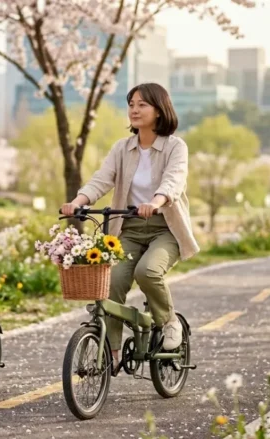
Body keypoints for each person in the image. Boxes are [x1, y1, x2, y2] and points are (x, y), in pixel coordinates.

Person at [60, 83, 199, 376]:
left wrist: (156, 201)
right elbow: (102, 179)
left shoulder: (176, 147)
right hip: (129, 229)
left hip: (165, 228)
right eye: (131, 104)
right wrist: (78, 201)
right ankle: (109, 349)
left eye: (142, 105)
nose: (134, 110)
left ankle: (169, 321)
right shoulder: (122, 148)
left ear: (160, 111)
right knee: (110, 282)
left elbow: (173, 181)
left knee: (147, 271)